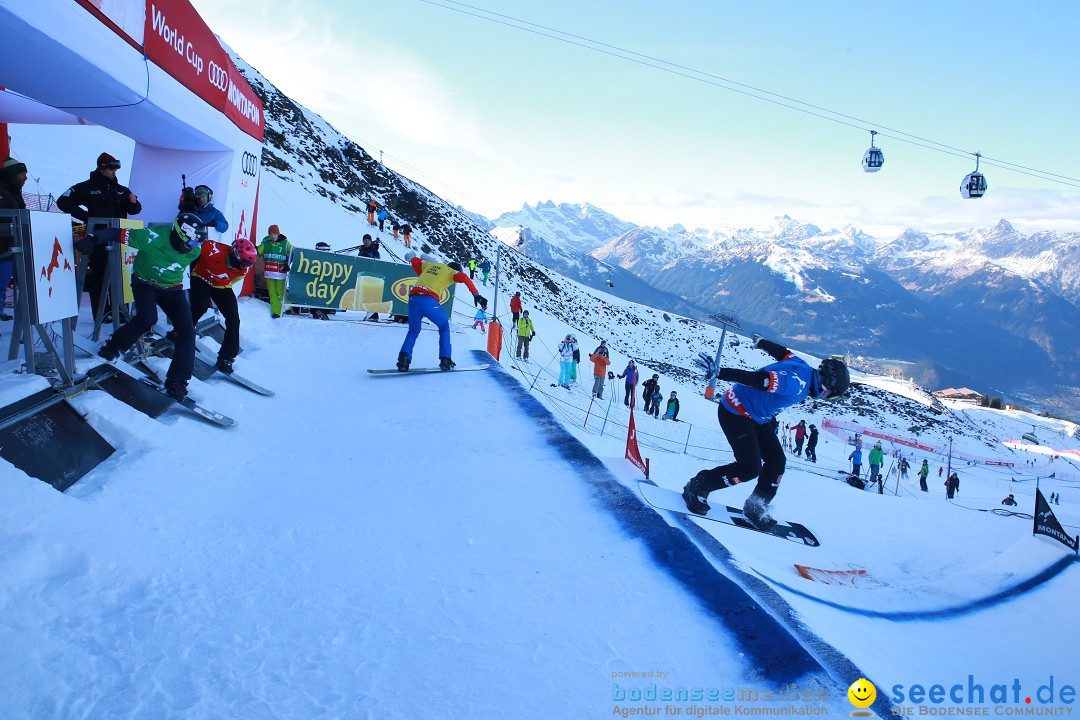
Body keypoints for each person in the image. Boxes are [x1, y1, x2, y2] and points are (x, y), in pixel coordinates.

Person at [682, 338, 850, 530]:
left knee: (777, 461)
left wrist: (762, 342)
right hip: (735, 412)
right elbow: (759, 381)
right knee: (749, 468)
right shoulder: (797, 384)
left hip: (756, 416)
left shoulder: (803, 366)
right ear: (826, 384)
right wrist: (721, 373)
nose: (825, 397)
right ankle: (697, 487)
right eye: (830, 394)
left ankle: (755, 506)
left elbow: (782, 352)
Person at [95, 213, 203, 400]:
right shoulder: (151, 237)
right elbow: (115, 233)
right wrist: (92, 238)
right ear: (178, 234)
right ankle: (114, 345)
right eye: (189, 244)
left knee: (187, 330)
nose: (191, 249)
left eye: (195, 245)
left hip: (172, 289)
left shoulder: (195, 251)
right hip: (144, 284)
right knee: (147, 319)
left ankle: (177, 381)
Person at [56, 152, 143, 321]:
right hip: (97, 238)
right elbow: (63, 201)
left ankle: (121, 312)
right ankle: (102, 313)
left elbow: (135, 210)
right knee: (100, 277)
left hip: (119, 238)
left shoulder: (121, 190)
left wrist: (134, 202)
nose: (114, 172)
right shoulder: (88, 187)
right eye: (111, 168)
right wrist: (86, 217)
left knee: (121, 275)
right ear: (102, 168)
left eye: (116, 169)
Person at [396, 254, 485, 371]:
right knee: (443, 326)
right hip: (429, 300)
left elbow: (415, 261)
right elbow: (464, 277)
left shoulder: (431, 265)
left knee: (413, 330)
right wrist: (477, 295)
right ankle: (445, 360)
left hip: (413, 299)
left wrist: (413, 260)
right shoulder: (451, 272)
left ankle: (403, 360)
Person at [189, 236, 256, 372]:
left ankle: (227, 357)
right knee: (200, 305)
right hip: (200, 278)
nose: (244, 267)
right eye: (242, 263)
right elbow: (191, 251)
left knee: (233, 319)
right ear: (234, 255)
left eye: (247, 264)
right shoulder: (210, 249)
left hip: (220, 285)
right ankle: (181, 331)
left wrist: (219, 286)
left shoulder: (242, 269)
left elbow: (233, 280)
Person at [0, 157, 28, 323]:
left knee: (3, 281)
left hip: (11, 246)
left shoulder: (13, 191)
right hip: (4, 247)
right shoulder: (3, 192)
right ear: (12, 175)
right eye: (22, 174)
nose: (25, 178)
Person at [257, 225, 292, 318]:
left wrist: (288, 261)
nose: (273, 236)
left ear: (278, 234)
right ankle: (277, 311)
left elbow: (292, 252)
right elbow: (258, 250)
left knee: (281, 291)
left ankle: (288, 307)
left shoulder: (285, 243)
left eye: (275, 234)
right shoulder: (265, 243)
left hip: (280, 272)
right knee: (272, 292)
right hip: (269, 272)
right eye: (271, 234)